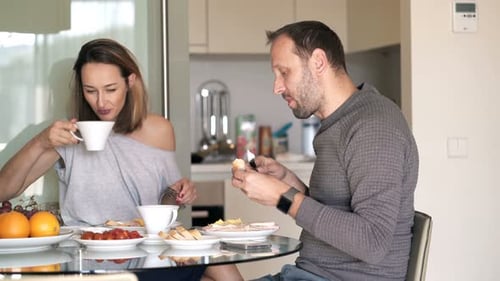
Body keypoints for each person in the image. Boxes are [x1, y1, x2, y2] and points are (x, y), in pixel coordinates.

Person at [0, 38, 242, 281]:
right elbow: (4, 190)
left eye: (110, 89)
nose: (101, 102)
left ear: (130, 81)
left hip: (151, 249)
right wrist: (42, 141)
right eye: (90, 91)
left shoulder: (159, 129)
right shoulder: (68, 135)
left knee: (221, 265)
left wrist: (180, 192)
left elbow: (166, 201)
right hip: (94, 256)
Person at [231, 21, 419, 281]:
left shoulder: (374, 127)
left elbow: (372, 241)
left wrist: (283, 197)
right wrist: (286, 181)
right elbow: (336, 216)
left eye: (284, 72)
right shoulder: (340, 121)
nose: (277, 87)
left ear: (318, 62)